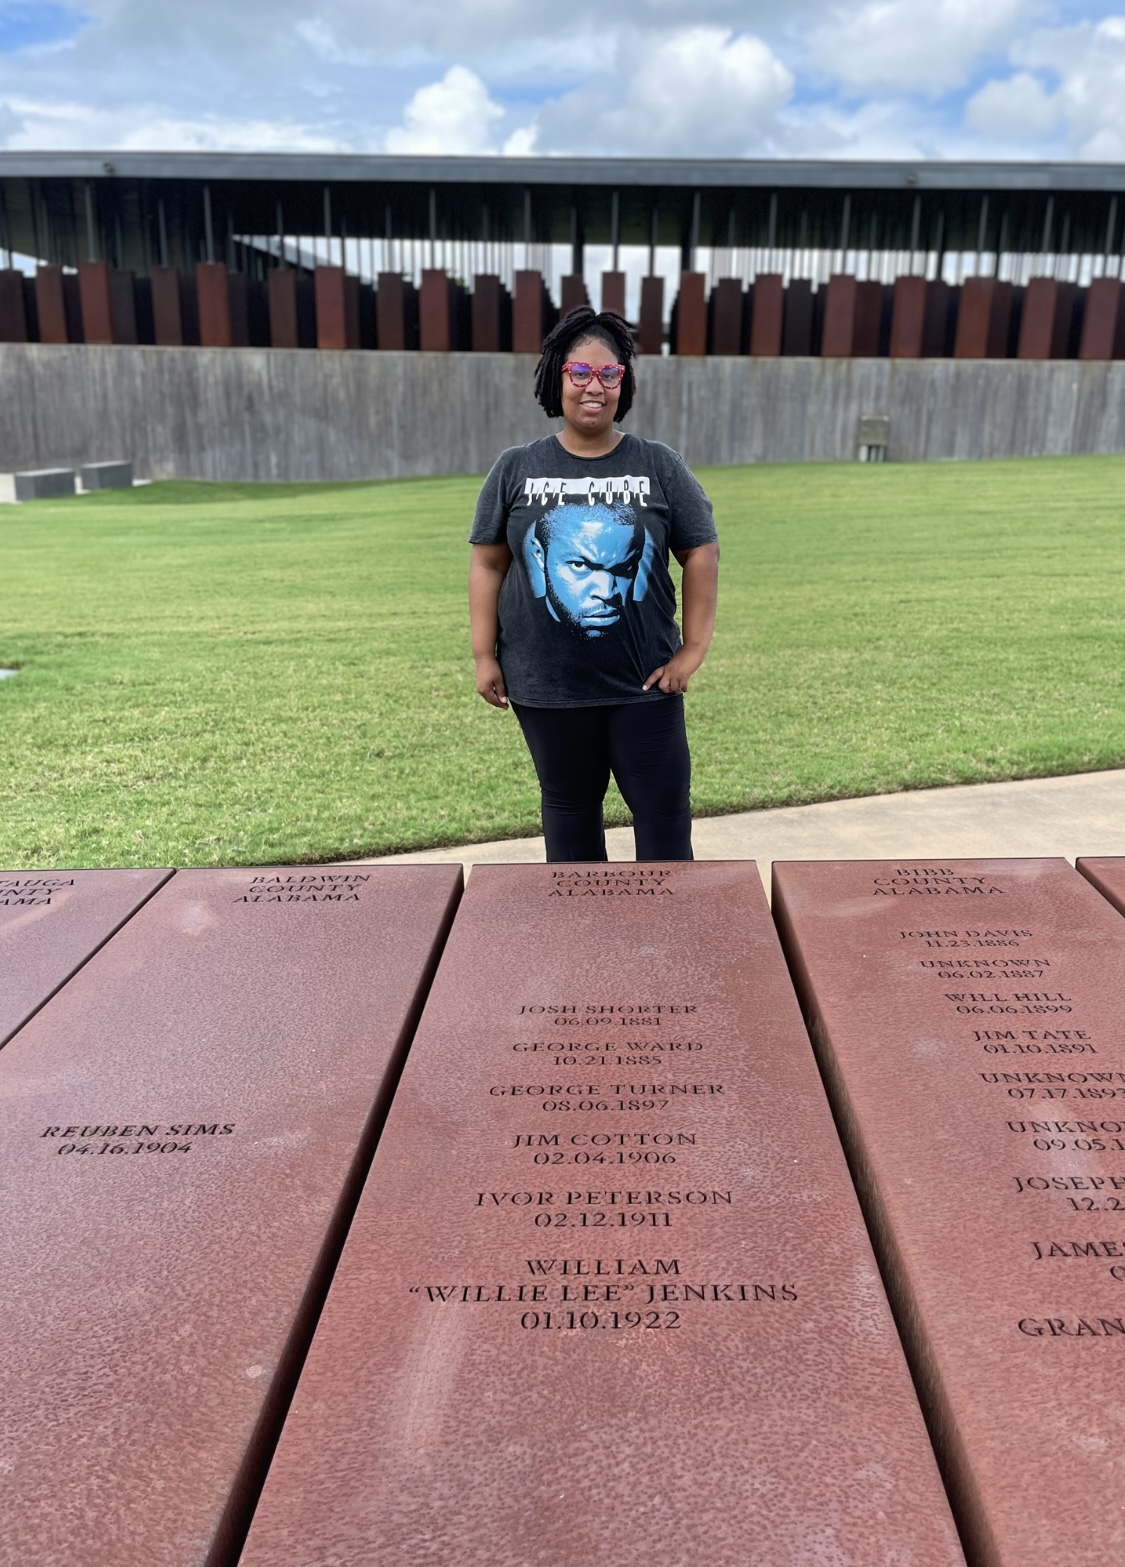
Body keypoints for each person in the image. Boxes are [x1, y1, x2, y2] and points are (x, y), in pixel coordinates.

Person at [468, 305, 719, 863]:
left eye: (609, 375)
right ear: (557, 375)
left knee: (662, 815)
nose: (594, 387)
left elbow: (699, 549)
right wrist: (484, 655)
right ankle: (582, 945)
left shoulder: (659, 465)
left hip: (644, 683)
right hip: (546, 686)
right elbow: (488, 563)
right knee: (570, 812)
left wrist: (694, 648)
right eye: (579, 373)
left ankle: (669, 942)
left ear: (623, 384)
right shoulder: (516, 468)